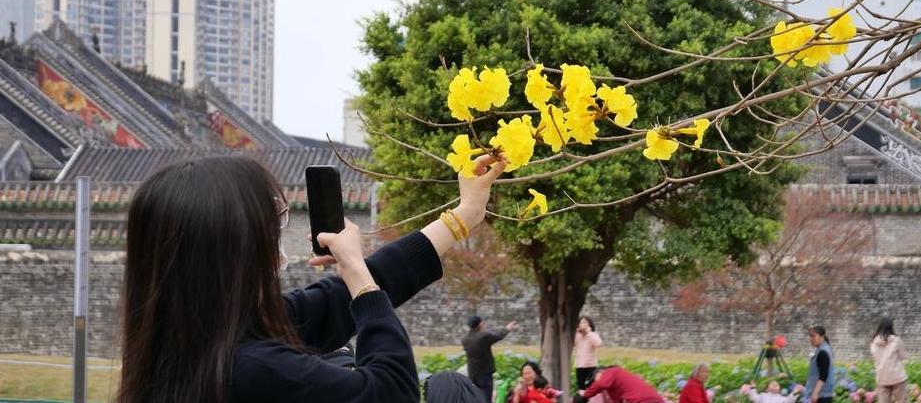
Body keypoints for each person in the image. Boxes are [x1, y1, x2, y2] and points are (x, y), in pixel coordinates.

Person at [117, 154, 507, 403]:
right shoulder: (254, 369)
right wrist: (358, 276)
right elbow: (391, 391)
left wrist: (464, 216)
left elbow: (345, 295)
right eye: (271, 222)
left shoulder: (201, 340)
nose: (277, 234)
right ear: (234, 249)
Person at [463, 315, 518, 402]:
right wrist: (508, 328)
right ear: (480, 324)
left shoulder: (465, 339)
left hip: (472, 373)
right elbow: (498, 335)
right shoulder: (483, 337)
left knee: (475, 397)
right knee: (486, 397)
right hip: (484, 373)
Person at [575, 366, 665, 403]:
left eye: (594, 380)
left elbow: (601, 384)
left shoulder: (612, 371)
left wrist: (585, 394)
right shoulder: (616, 383)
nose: (595, 383)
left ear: (601, 372)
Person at [871, 318, 908, 403]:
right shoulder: (896, 340)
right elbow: (903, 356)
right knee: (903, 401)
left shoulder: (874, 343)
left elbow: (875, 358)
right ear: (891, 327)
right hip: (898, 377)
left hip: (882, 377)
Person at [804, 326, 836, 403]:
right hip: (823, 394)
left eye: (813, 336)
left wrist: (815, 393)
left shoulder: (823, 352)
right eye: (810, 336)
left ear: (822, 337)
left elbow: (823, 376)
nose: (811, 339)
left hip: (822, 395)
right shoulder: (824, 349)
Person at [575, 316, 603, 390]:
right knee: (581, 388)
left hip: (591, 366)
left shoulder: (593, 334)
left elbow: (598, 344)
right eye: (581, 322)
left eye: (585, 322)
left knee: (592, 387)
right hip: (580, 366)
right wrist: (577, 331)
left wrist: (589, 333)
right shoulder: (577, 335)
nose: (583, 324)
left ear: (589, 324)